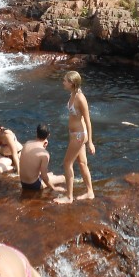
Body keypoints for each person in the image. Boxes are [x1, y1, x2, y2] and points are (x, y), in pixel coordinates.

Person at [55, 71, 95, 203]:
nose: (63, 82)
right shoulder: (73, 93)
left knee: (67, 164)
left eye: (65, 80)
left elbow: (88, 120)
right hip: (76, 134)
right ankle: (90, 192)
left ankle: (69, 196)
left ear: (72, 83)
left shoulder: (80, 98)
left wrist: (90, 141)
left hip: (78, 135)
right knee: (82, 163)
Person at [18, 123, 66, 192]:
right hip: (33, 185)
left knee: (51, 174)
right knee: (62, 178)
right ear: (48, 135)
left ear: (36, 133)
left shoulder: (27, 143)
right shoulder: (44, 154)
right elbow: (44, 177)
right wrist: (54, 188)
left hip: (23, 183)